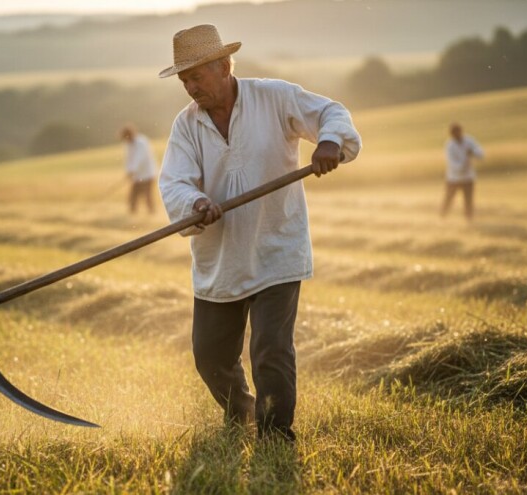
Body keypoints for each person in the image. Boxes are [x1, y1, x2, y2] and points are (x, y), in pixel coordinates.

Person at [158, 24, 361, 441]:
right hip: (220, 258)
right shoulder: (186, 125)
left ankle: (275, 434)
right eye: (184, 81)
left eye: (196, 76)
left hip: (276, 247)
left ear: (224, 66)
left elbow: (331, 112)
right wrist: (196, 204)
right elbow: (174, 182)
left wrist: (329, 142)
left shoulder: (274, 97)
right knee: (210, 356)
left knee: (270, 349)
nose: (191, 88)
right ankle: (242, 413)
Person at [441, 122, 484, 222]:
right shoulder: (449, 145)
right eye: (454, 133)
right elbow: (452, 163)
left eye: (457, 132)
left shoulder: (469, 140)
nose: (456, 134)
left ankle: (469, 219)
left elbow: (481, 154)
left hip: (468, 177)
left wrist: (473, 153)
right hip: (454, 178)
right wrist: (463, 165)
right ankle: (443, 217)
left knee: (468, 200)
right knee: (449, 198)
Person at [120, 125, 158, 214]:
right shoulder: (128, 144)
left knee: (148, 195)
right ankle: (132, 214)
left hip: (148, 174)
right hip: (138, 176)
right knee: (133, 195)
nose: (126, 139)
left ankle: (152, 213)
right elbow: (128, 159)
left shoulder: (141, 142)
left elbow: (140, 158)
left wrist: (132, 170)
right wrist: (128, 170)